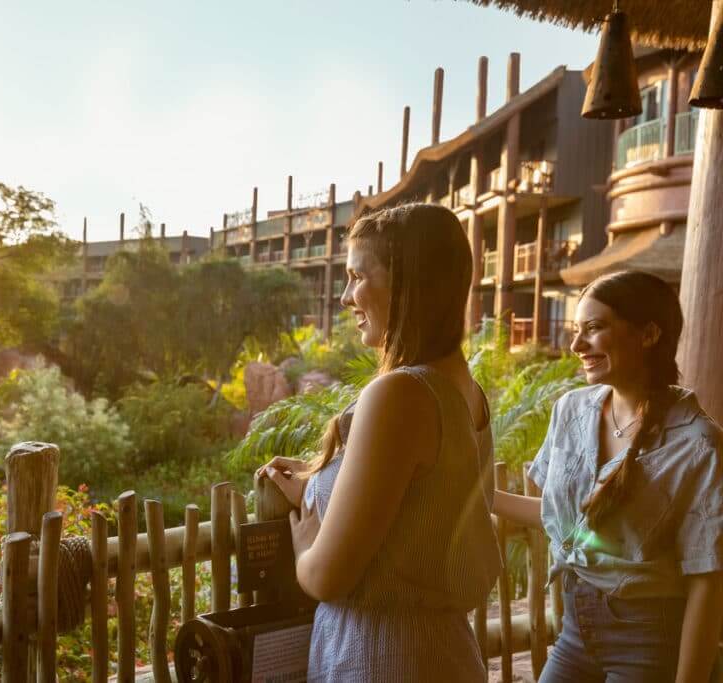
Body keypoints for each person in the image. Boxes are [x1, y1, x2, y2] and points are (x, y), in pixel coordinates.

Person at [257, 203, 500, 681]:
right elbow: (412, 516)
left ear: (408, 283)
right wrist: (313, 486)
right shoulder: (464, 389)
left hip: (382, 659)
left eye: (357, 276)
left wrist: (306, 545)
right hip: (440, 653)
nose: (347, 296)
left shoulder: (401, 394)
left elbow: (327, 576)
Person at [493, 270, 723, 682]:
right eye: (576, 330)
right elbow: (563, 520)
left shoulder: (699, 444)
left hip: (649, 638)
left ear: (648, 334)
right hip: (575, 629)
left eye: (594, 329)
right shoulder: (572, 410)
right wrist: (476, 493)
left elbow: (707, 579)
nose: (576, 345)